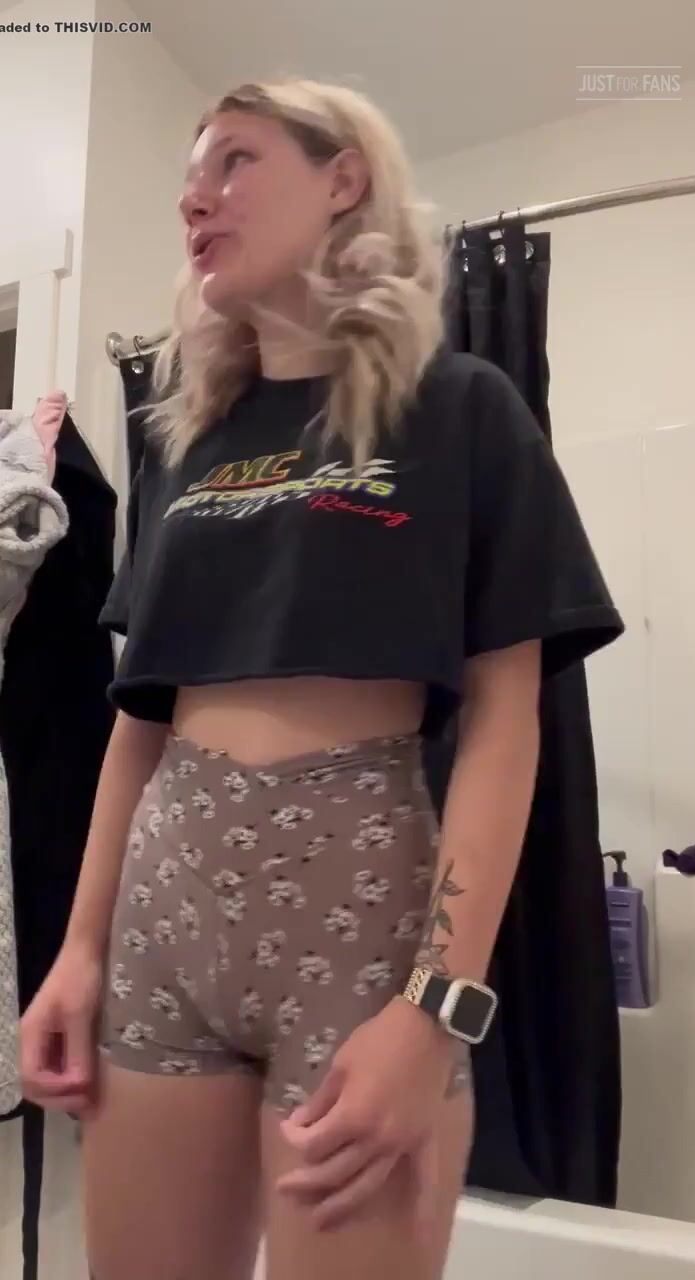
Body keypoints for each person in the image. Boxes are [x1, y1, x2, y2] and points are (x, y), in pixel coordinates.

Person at [19, 79, 623, 1280]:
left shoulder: (463, 408)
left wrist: (437, 1007)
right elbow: (140, 718)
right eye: (189, 176)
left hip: (361, 928)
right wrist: (79, 949)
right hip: (164, 915)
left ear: (343, 178)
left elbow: (508, 722)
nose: (195, 198)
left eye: (234, 161)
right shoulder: (185, 441)